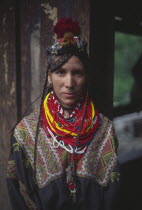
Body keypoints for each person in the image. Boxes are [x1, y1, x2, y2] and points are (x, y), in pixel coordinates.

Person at [6, 18, 120, 210]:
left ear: (87, 76)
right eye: (60, 72)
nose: (69, 82)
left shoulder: (104, 129)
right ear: (49, 77)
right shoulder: (25, 132)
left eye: (77, 73)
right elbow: (17, 192)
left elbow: (113, 194)